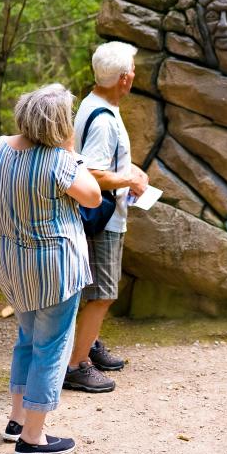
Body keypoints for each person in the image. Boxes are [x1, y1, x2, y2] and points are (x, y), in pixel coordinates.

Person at [0, 83, 101, 454]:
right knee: (51, 348)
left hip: (12, 268)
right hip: (55, 272)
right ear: (60, 124)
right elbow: (94, 196)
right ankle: (33, 438)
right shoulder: (59, 160)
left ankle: (16, 421)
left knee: (28, 340)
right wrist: (73, 153)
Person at [63, 41, 149, 393]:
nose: (135, 75)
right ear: (124, 78)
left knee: (98, 290)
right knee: (103, 293)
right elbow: (93, 172)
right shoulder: (103, 120)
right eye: (133, 70)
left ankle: (90, 344)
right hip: (104, 218)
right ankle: (76, 364)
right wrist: (128, 180)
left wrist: (130, 171)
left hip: (104, 214)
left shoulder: (94, 103)